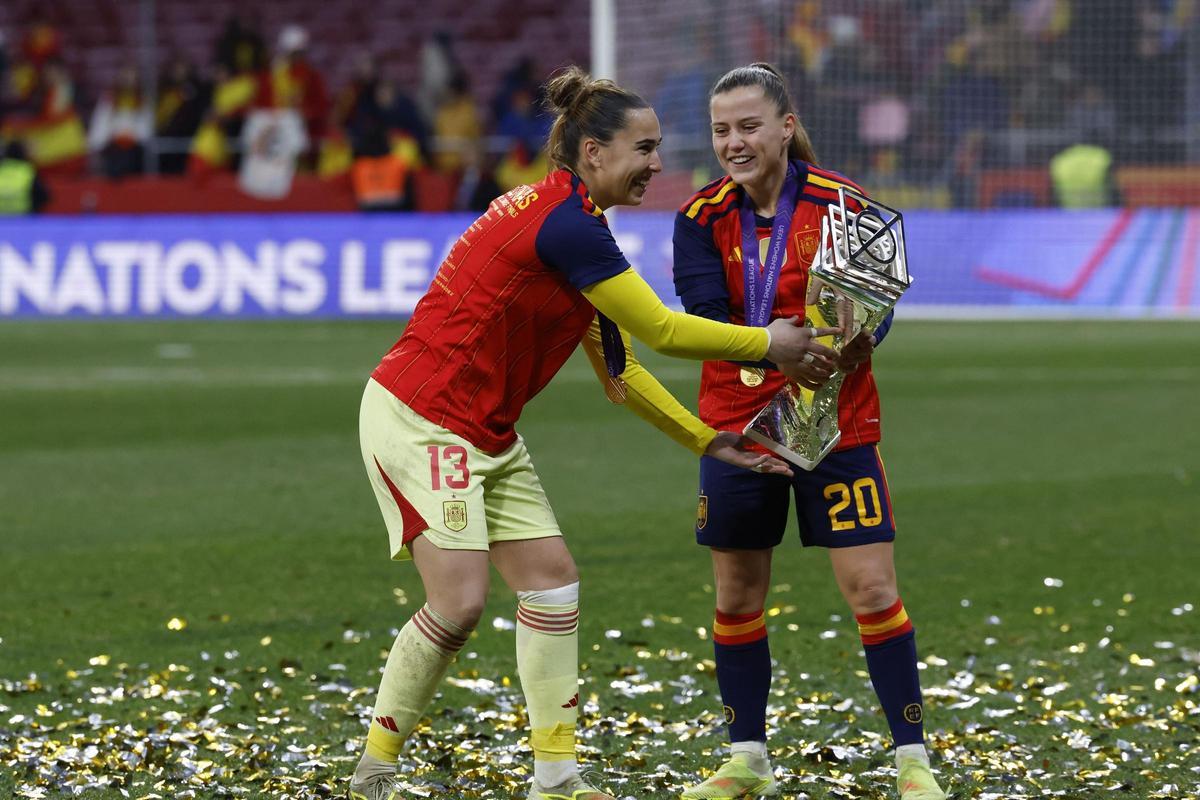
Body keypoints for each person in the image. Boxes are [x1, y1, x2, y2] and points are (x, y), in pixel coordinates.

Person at [348, 65, 832, 800]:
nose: (657, 165)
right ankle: (374, 772)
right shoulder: (567, 226)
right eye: (644, 148)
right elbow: (663, 330)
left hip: (485, 428)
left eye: (658, 148)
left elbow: (621, 371)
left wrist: (705, 439)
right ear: (594, 153)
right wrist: (769, 343)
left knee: (551, 585)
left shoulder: (578, 224)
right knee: (459, 601)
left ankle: (555, 779)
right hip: (424, 417)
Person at [672, 63, 947, 800]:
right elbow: (705, 319)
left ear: (786, 127)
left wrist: (859, 339)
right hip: (739, 429)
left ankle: (913, 761)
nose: (734, 142)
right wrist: (777, 346)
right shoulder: (699, 217)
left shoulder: (844, 204)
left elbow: (877, 310)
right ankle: (747, 760)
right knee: (737, 595)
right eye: (721, 131)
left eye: (749, 126)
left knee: (872, 588)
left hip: (836, 422)